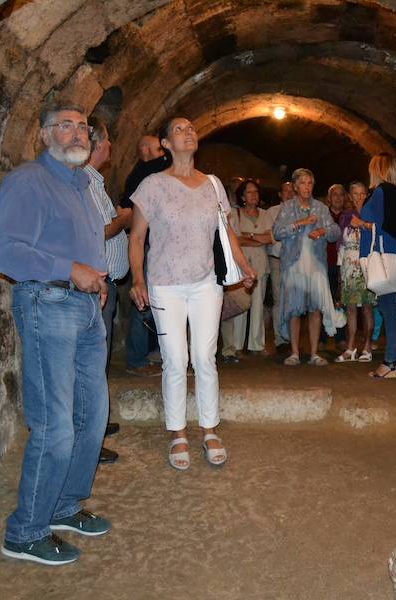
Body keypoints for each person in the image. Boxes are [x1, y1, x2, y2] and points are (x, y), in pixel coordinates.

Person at [0, 103, 111, 565]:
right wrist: (69, 270)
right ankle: (24, 532)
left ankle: (63, 506)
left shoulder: (80, 186)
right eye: (66, 126)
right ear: (44, 136)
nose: (78, 133)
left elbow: (82, 248)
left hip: (84, 307)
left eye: (83, 127)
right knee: (55, 424)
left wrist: (93, 280)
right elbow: (3, 251)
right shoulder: (28, 181)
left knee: (92, 416)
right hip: (47, 304)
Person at [128, 116, 255, 471]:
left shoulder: (213, 184)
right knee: (174, 358)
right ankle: (177, 432)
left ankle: (210, 429)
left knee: (204, 356)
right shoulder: (152, 185)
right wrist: (137, 278)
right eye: (179, 130)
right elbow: (137, 237)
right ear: (166, 144)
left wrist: (243, 264)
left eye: (191, 128)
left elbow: (226, 230)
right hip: (165, 283)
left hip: (205, 282)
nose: (189, 132)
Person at [84, 117, 131, 465]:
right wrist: (125, 220)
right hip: (95, 284)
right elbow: (98, 231)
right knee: (90, 363)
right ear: (97, 143)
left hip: (107, 283)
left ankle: (95, 423)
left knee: (98, 362)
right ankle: (89, 436)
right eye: (109, 140)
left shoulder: (95, 182)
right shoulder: (84, 182)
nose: (112, 146)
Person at [272, 168, 341, 366]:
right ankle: (294, 353)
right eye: (303, 183)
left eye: (310, 183)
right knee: (294, 309)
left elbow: (335, 232)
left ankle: (313, 354)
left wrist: (322, 230)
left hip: (316, 265)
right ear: (295, 186)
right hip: (293, 266)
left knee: (315, 309)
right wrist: (299, 223)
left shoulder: (320, 208)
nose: (307, 187)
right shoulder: (287, 207)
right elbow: (276, 232)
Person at [351, 153, 396, 378]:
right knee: (388, 307)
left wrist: (361, 223)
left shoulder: (380, 192)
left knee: (387, 308)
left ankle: (391, 361)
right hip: (390, 253)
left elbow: (380, 225)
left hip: (380, 254)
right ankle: (390, 360)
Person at [122, 135, 172, 378]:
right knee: (144, 301)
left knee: (157, 302)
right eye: (159, 148)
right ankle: (137, 359)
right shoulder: (143, 174)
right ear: (144, 150)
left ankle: (151, 353)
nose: (163, 153)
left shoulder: (147, 173)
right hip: (149, 245)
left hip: (158, 245)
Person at [220, 179, 274, 360]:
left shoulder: (266, 215)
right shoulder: (235, 215)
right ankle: (236, 345)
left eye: (256, 192)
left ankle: (256, 344)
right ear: (242, 196)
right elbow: (236, 240)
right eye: (249, 192)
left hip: (260, 263)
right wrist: (257, 238)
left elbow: (270, 238)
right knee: (240, 303)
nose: (253, 195)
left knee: (258, 304)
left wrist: (249, 236)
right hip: (241, 263)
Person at [335, 181, 376, 363]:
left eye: (362, 193)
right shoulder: (345, 216)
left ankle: (367, 346)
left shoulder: (372, 215)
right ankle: (350, 347)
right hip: (349, 267)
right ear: (350, 196)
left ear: (366, 195)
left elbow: (378, 235)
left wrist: (363, 224)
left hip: (367, 266)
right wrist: (340, 270)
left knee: (367, 308)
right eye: (355, 194)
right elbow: (340, 245)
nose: (359, 197)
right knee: (350, 309)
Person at [266, 182, 295, 348]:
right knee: (279, 300)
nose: (289, 193)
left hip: (295, 262)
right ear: (280, 194)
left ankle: (292, 338)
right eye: (286, 190)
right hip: (277, 259)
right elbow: (271, 236)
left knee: (293, 300)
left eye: (292, 191)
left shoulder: (300, 210)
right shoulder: (271, 212)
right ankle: (280, 339)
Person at [322, 183, 348, 351]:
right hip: (325, 262)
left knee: (341, 300)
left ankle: (341, 338)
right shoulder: (323, 215)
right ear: (329, 198)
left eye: (341, 194)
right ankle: (322, 339)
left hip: (344, 264)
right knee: (324, 300)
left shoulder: (350, 216)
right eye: (335, 195)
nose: (338, 197)